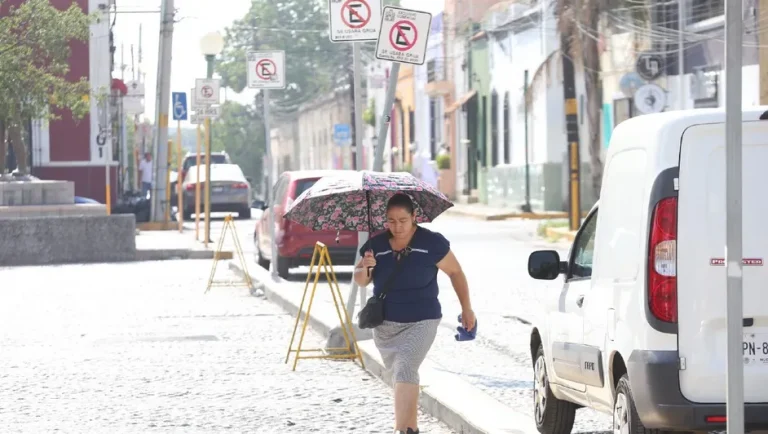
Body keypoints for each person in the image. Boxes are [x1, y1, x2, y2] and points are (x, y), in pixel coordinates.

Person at [354, 193, 475, 434]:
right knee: (400, 373)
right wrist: (365, 267)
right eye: (391, 221)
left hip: (423, 319)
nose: (396, 226)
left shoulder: (432, 243)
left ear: (414, 218)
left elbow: (456, 273)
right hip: (386, 324)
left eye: (402, 220)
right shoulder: (374, 246)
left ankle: (406, 429)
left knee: (406, 367)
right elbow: (361, 282)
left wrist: (466, 308)